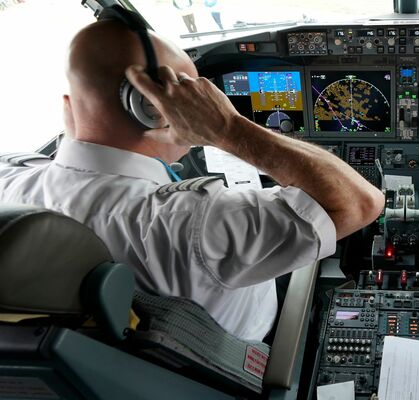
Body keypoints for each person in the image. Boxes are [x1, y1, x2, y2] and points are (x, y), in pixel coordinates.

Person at [0, 18, 384, 341]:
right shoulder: (193, 224)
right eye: (194, 94)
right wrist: (227, 127)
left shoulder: (10, 185)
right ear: (154, 110)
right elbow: (360, 202)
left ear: (68, 107)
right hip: (254, 348)